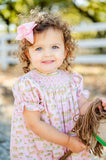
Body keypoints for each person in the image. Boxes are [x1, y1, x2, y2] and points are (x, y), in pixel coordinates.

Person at [10, 11, 106, 160]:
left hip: (70, 145)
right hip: (41, 148)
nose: (47, 54)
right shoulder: (29, 85)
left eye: (54, 47)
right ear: (29, 54)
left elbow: (82, 106)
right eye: (39, 48)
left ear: (65, 51)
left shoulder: (72, 80)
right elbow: (34, 124)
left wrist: (97, 106)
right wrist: (67, 141)